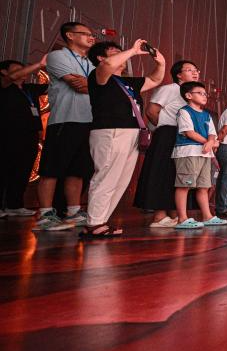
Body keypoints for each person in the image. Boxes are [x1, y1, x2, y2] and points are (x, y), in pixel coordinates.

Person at [81, 39, 166, 238]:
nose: (122, 55)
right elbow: (108, 64)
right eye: (115, 51)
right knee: (106, 176)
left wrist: (161, 63)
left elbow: (154, 80)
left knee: (121, 180)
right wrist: (133, 50)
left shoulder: (127, 82)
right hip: (110, 131)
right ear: (100, 57)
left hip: (131, 132)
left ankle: (100, 221)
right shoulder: (99, 75)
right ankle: (94, 223)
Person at [34, 22, 97, 231]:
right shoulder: (58, 56)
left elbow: (97, 86)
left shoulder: (89, 62)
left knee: (78, 170)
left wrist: (90, 84)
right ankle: (45, 214)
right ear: (70, 35)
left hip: (88, 121)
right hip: (64, 119)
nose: (91, 37)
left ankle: (73, 210)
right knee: (51, 169)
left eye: (92, 35)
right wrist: (93, 85)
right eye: (85, 33)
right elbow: (76, 84)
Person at [133, 60, 200, 227]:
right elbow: (151, 111)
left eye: (196, 70)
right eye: (189, 70)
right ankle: (159, 216)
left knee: (175, 174)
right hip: (168, 133)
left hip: (182, 136)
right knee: (161, 172)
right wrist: (164, 130)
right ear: (179, 75)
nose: (195, 72)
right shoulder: (170, 89)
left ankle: (173, 214)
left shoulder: (191, 93)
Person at [171, 81, 226, 229]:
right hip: (188, 152)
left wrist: (210, 142)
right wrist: (208, 143)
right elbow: (189, 132)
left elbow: (212, 134)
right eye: (200, 93)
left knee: (204, 186)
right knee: (184, 185)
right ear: (189, 95)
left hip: (204, 154)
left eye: (205, 94)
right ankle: (182, 218)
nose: (204, 96)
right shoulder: (184, 112)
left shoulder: (207, 115)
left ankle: (207, 216)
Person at [0, 56, 48, 217]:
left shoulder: (29, 89)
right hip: (7, 136)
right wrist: (39, 64)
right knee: (4, 169)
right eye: (18, 69)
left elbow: (53, 87)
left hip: (30, 137)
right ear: (4, 72)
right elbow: (11, 77)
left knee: (23, 170)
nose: (23, 72)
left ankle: (15, 205)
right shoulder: (5, 85)